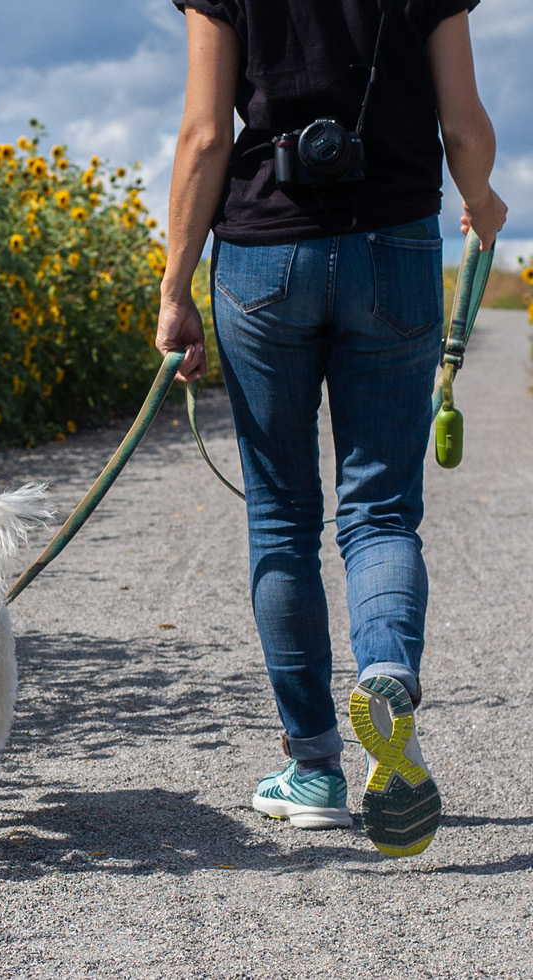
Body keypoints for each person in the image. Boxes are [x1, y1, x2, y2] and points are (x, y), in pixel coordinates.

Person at [156, 0, 507, 857]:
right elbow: (463, 127)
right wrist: (482, 199)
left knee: (281, 516)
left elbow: (205, 135)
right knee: (381, 512)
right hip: (396, 247)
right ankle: (386, 672)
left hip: (262, 253)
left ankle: (314, 768)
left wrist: (174, 288)